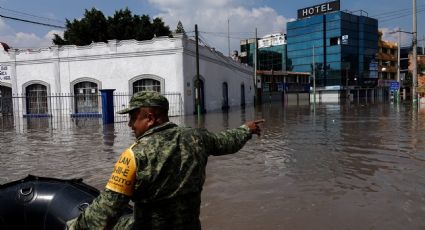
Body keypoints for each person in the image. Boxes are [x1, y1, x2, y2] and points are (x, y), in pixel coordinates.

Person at [67, 91, 264, 230]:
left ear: (150, 118)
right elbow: (227, 142)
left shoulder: (134, 155)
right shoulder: (197, 137)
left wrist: (74, 226)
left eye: (133, 117)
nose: (129, 124)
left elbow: (105, 211)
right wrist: (247, 129)